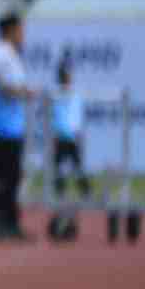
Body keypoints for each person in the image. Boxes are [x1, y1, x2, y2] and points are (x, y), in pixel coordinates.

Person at [0, 11, 37, 243]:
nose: (23, 35)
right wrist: (27, 92)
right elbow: (6, 88)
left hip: (10, 126)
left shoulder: (12, 54)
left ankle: (9, 222)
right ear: (10, 30)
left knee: (12, 177)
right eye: (20, 29)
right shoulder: (1, 54)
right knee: (2, 177)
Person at [50, 58, 89, 201]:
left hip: (72, 136)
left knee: (78, 166)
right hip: (59, 136)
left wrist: (79, 132)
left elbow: (77, 115)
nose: (68, 78)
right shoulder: (54, 94)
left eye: (69, 75)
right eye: (65, 75)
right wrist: (53, 134)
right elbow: (53, 116)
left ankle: (85, 192)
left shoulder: (75, 95)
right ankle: (59, 193)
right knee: (57, 167)